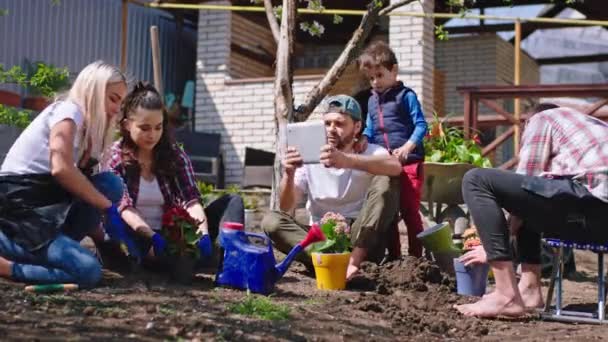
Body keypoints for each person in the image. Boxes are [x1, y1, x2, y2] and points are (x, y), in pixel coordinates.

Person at [455, 105, 608, 318]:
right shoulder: (590, 129)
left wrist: (493, 250)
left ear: (528, 123)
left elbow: (528, 178)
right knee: (539, 194)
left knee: (476, 180)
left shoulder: (544, 118)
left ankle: (506, 295)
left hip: (595, 203)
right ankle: (529, 288)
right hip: (599, 220)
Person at [0, 61, 128, 288]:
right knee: (87, 271)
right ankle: (9, 265)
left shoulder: (88, 132)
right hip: (21, 209)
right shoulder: (69, 111)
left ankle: (46, 253)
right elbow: (61, 169)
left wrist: (108, 242)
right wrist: (108, 208)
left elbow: (83, 194)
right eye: (112, 99)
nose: (117, 109)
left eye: (121, 101)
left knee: (109, 183)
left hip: (48, 209)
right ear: (94, 92)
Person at [261, 95, 402, 279]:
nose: (331, 130)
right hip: (320, 238)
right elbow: (287, 207)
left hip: (359, 237)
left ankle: (351, 263)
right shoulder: (310, 156)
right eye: (327, 124)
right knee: (271, 222)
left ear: (357, 127)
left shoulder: (371, 152)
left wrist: (347, 160)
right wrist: (289, 174)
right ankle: (328, 262)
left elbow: (395, 167)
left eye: (339, 124)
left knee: (387, 179)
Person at [105, 82, 244, 265]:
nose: (152, 135)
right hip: (138, 233)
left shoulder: (174, 155)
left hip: (173, 233)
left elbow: (190, 201)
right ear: (127, 125)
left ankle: (227, 257)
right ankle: (160, 259)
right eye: (144, 128)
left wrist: (202, 234)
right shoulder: (115, 158)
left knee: (232, 201)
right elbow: (125, 208)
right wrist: (152, 237)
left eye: (158, 127)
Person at [356, 41, 428, 258]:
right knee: (388, 212)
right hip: (386, 163)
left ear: (394, 70)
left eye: (379, 75)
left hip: (409, 163)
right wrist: (365, 139)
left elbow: (421, 125)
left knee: (409, 211)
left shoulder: (406, 96)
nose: (375, 81)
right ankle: (395, 256)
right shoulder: (371, 101)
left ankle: (416, 257)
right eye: (371, 78)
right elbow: (369, 126)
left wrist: (408, 146)